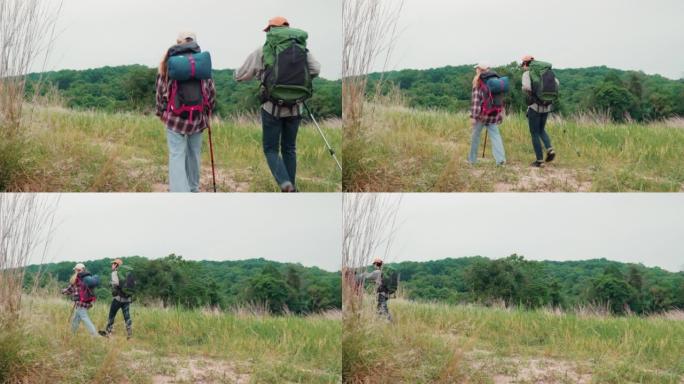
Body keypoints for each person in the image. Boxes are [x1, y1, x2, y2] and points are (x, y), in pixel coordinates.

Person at [235, 17, 321, 192]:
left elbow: (241, 74)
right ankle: (292, 188)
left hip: (272, 108)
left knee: (271, 149)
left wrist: (248, 75)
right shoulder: (303, 49)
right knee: (289, 148)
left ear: (272, 30)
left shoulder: (264, 50)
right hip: (296, 107)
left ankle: (285, 183)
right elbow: (315, 69)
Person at [155, 31, 217, 192]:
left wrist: (161, 111)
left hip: (175, 118)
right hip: (197, 117)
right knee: (194, 154)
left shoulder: (169, 62)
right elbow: (210, 91)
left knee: (176, 154)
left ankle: (178, 192)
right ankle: (193, 189)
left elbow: (160, 90)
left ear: (178, 42)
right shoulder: (202, 63)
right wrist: (208, 110)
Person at [521, 55, 558, 168]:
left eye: (522, 64)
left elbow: (526, 87)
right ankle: (549, 149)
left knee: (534, 133)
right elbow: (557, 84)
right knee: (541, 129)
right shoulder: (548, 73)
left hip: (534, 107)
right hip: (546, 106)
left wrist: (529, 93)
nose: (522, 66)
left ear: (526, 64)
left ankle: (539, 160)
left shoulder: (527, 74)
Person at [468, 63, 507, 165]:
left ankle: (472, 160)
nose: (476, 70)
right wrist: (500, 114)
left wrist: (473, 116)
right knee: (496, 136)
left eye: (477, 68)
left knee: (475, 137)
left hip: (481, 115)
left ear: (480, 69)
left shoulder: (478, 80)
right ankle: (501, 160)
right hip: (494, 113)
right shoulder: (496, 80)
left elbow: (476, 101)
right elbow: (501, 99)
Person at [61, 263, 99, 336]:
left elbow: (70, 289)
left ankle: (95, 335)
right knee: (76, 318)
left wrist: (62, 291)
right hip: (86, 302)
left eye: (75, 270)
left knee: (85, 318)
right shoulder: (87, 277)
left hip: (81, 302)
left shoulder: (78, 278)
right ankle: (72, 334)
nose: (75, 271)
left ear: (77, 270)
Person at [99, 259, 132, 339]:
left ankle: (108, 332)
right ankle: (129, 333)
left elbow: (116, 283)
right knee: (127, 316)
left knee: (112, 315)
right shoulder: (128, 273)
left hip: (118, 299)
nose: (112, 265)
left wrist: (111, 283)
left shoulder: (115, 273)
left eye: (113, 264)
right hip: (127, 299)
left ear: (116, 265)